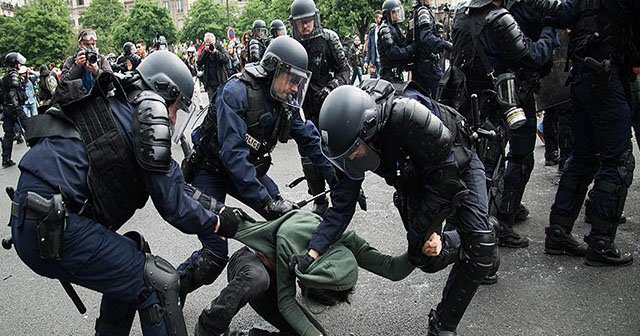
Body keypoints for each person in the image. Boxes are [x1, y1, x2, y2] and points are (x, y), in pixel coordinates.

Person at [7, 50, 249, 336]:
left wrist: (217, 209)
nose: (173, 120)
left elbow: (174, 183)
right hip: (54, 226)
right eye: (176, 109)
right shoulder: (148, 116)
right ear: (164, 91)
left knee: (134, 255)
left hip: (36, 219)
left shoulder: (123, 105)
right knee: (157, 283)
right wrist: (219, 223)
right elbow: (173, 205)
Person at [293, 79, 498, 335]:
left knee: (479, 245)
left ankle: (443, 325)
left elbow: (446, 180)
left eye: (354, 152)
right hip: (412, 177)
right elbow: (342, 205)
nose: (352, 159)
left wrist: (432, 227)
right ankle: (471, 239)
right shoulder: (348, 142)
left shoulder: (406, 115)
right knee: (423, 256)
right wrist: (313, 251)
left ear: (368, 130)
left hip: (457, 160)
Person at [182, 37, 337, 266]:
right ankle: (165, 295)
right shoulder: (236, 92)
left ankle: (283, 279)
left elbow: (310, 139)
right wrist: (265, 201)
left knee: (286, 219)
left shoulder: (283, 100)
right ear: (274, 69)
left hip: (246, 170)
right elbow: (233, 154)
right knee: (213, 256)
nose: (295, 87)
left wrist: (337, 178)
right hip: (210, 171)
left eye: (299, 81)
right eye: (292, 79)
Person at [194, 210, 462, 336]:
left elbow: (391, 269)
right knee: (258, 279)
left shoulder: (345, 240)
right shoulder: (293, 238)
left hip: (277, 280)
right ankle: (209, 326)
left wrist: (419, 251)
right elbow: (287, 301)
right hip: (252, 263)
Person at [525, 0, 640, 266]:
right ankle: (600, 241)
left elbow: (561, 13)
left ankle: (559, 232)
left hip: (583, 79)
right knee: (618, 162)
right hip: (606, 79)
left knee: (583, 157)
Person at [450, 0, 556, 247]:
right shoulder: (499, 18)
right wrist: (550, 29)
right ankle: (486, 237)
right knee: (495, 169)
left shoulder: (460, 15)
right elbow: (534, 57)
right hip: (498, 103)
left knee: (475, 170)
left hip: (468, 103)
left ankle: (472, 234)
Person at [289, 0, 350, 215]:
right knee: (307, 155)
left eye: (308, 21)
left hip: (328, 105)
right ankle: (319, 198)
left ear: (314, 19)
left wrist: (332, 86)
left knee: (332, 152)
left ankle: (340, 195)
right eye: (301, 23)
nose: (305, 26)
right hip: (301, 107)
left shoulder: (328, 39)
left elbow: (345, 71)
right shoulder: (291, 45)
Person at [408, 0, 453, 97]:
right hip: (428, 63)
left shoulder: (416, 12)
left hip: (419, 63)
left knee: (421, 97)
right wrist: (445, 44)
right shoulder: (423, 12)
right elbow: (426, 37)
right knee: (442, 94)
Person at [61, 29, 113, 93]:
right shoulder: (71, 60)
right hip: (77, 100)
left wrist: (97, 71)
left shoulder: (101, 59)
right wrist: (77, 66)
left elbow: (111, 84)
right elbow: (63, 84)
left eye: (93, 44)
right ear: (80, 44)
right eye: (87, 44)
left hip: (99, 98)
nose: (91, 47)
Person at [2, 52, 28, 168]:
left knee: (8, 134)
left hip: (7, 108)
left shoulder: (5, 76)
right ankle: (40, 155)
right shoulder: (13, 74)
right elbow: (13, 92)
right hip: (14, 108)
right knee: (29, 127)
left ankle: (6, 158)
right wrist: (16, 107)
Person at [378, 0, 414, 83]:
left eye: (398, 11)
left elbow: (403, 45)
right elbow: (393, 53)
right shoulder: (385, 29)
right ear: (387, 14)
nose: (397, 14)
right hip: (388, 76)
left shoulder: (396, 28)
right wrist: (411, 48)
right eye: (394, 12)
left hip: (397, 74)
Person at [198, 32, 229, 104]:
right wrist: (205, 52)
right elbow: (199, 62)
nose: (209, 45)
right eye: (207, 43)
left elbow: (226, 59)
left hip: (220, 81)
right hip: (209, 83)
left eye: (210, 43)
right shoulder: (205, 50)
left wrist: (216, 52)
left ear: (214, 42)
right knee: (212, 104)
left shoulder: (220, 48)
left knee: (221, 102)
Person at [364, 10, 383, 78]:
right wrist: (366, 61)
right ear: (375, 19)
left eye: (380, 17)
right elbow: (369, 48)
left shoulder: (385, 29)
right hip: (375, 61)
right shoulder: (372, 32)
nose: (379, 19)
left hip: (383, 61)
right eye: (377, 17)